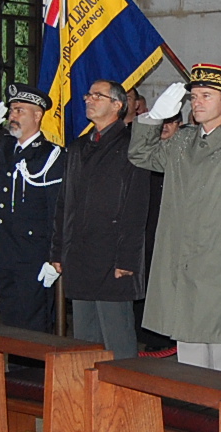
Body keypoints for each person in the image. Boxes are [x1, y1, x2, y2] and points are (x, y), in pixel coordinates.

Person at [129, 64, 221, 373]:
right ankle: (197, 418)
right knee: (189, 356)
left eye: (206, 95)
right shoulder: (180, 143)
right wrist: (152, 118)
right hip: (182, 262)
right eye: (193, 97)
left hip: (220, 264)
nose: (197, 103)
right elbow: (140, 155)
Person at [48, 80, 150, 359]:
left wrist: (128, 259)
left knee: (117, 340)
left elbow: (136, 207)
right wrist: (58, 251)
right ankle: (87, 396)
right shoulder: (78, 147)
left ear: (118, 105)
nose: (89, 100)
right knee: (85, 340)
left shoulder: (132, 146)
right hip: (80, 255)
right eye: (88, 95)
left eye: (97, 96)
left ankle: (123, 396)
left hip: (112, 257)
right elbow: (64, 204)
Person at [0, 84, 64, 331]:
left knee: (34, 324)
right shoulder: (5, 148)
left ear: (38, 115)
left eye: (20, 110)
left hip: (34, 254)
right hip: (5, 250)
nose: (13, 116)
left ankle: (33, 370)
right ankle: (18, 370)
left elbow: (58, 211)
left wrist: (56, 258)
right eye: (12, 111)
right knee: (10, 323)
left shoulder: (51, 155)